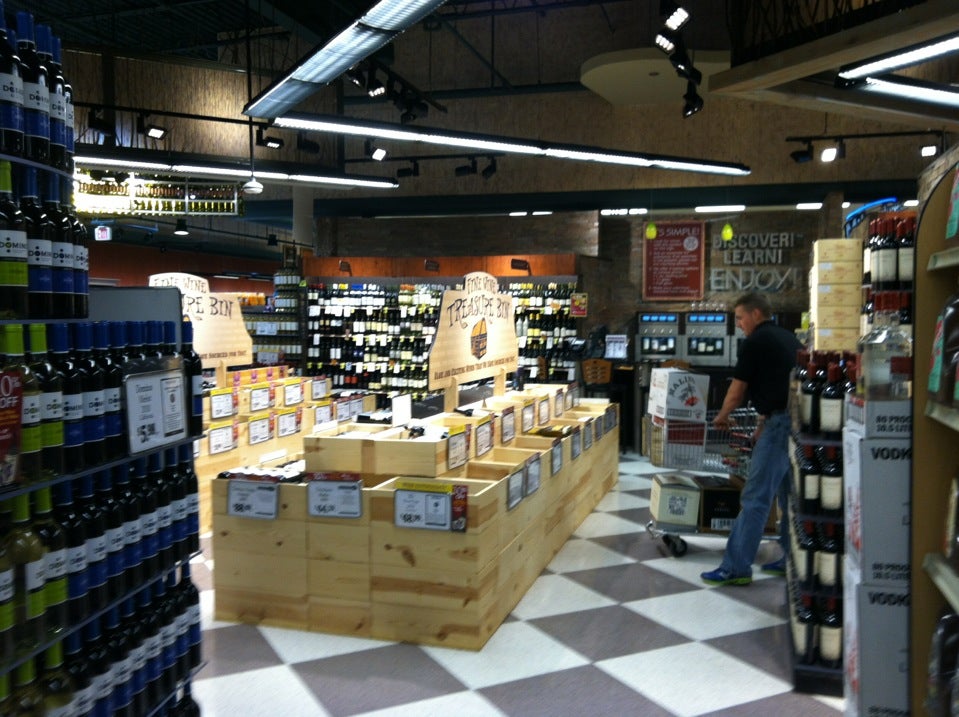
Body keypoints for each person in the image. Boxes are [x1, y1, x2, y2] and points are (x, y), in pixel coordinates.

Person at [701, 292, 802, 587]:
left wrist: (722, 416)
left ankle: (736, 567)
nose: (739, 324)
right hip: (795, 422)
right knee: (789, 497)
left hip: (779, 426)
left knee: (755, 497)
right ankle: (791, 559)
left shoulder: (755, 342)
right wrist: (761, 424)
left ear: (756, 314)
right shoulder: (788, 338)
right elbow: (778, 386)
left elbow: (737, 390)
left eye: (740, 318)